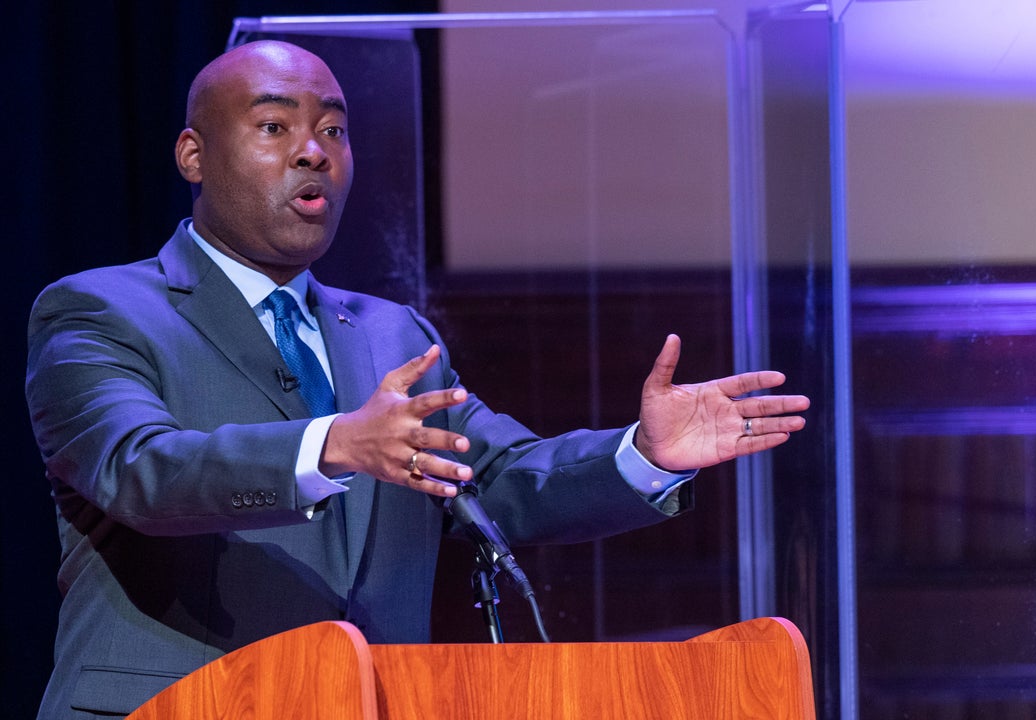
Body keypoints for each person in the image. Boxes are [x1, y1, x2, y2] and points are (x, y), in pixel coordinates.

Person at [25, 40, 809, 719]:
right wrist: (333, 445)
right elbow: (138, 470)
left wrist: (644, 454)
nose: (313, 152)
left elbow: (496, 480)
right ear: (193, 155)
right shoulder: (99, 311)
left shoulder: (390, 334)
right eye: (274, 127)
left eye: (333, 130)